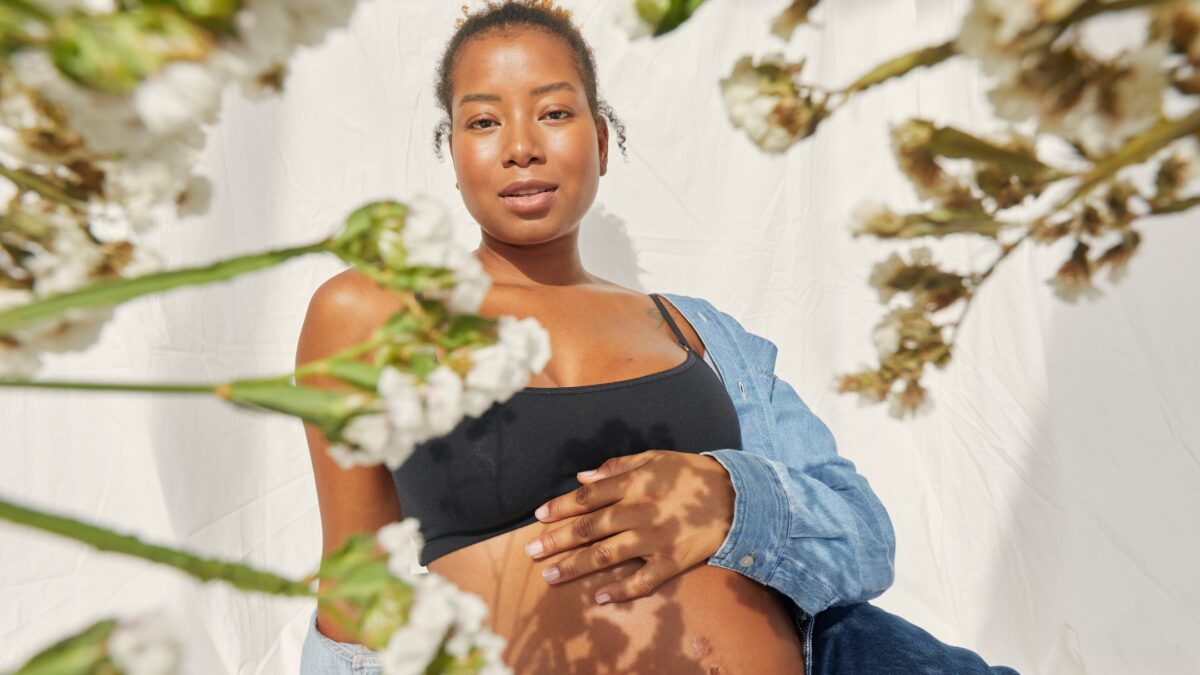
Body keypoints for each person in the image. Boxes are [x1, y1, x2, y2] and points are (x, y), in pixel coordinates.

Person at [297, 2, 1021, 673]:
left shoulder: (702, 333)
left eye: (554, 112)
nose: (520, 146)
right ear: (453, 153)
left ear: (601, 141)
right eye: (483, 121)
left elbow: (865, 538)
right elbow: (354, 602)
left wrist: (732, 499)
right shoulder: (374, 313)